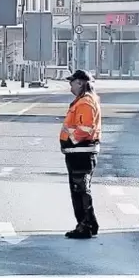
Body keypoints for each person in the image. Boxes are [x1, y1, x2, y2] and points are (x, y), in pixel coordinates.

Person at [60, 69, 102, 239]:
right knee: (80, 189)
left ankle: (85, 225)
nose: (70, 85)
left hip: (81, 153)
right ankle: (89, 223)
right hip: (79, 152)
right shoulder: (83, 101)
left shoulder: (85, 102)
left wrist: (72, 139)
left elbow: (85, 128)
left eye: (72, 82)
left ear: (80, 83)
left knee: (80, 190)